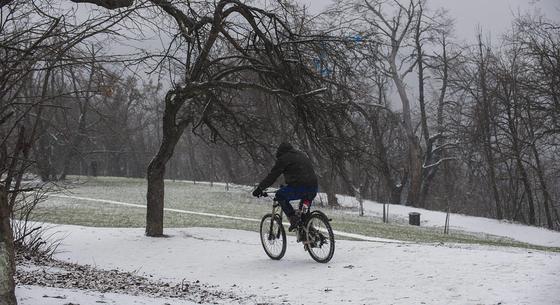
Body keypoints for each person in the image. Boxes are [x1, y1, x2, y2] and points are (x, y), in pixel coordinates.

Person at [252, 142, 318, 231]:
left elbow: (272, 176)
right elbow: (300, 172)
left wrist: (260, 188)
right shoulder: (301, 154)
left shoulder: (284, 158)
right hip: (313, 187)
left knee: (280, 195)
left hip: (300, 188)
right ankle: (309, 235)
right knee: (304, 211)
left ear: (280, 152)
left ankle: (293, 218)